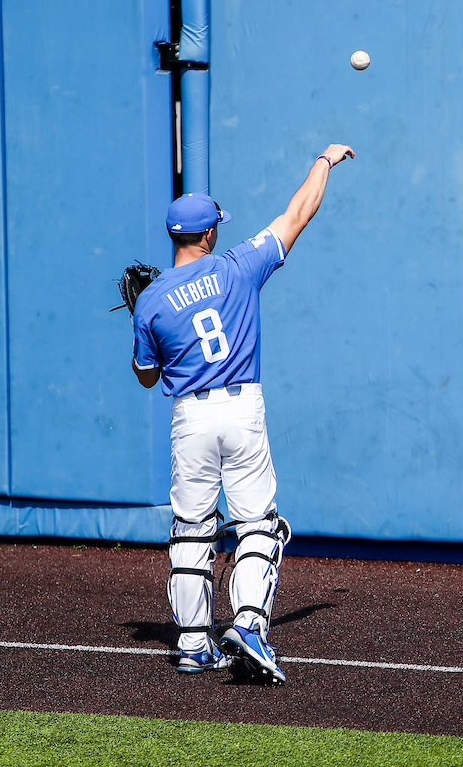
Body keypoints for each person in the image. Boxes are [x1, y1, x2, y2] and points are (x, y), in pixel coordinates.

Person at [131, 144, 356, 684]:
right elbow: (299, 212)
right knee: (258, 524)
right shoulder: (238, 266)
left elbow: (145, 376)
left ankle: (191, 644)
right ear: (209, 235)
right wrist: (323, 162)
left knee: (191, 528)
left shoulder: (152, 301)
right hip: (242, 408)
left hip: (189, 417)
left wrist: (151, 314)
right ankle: (249, 623)